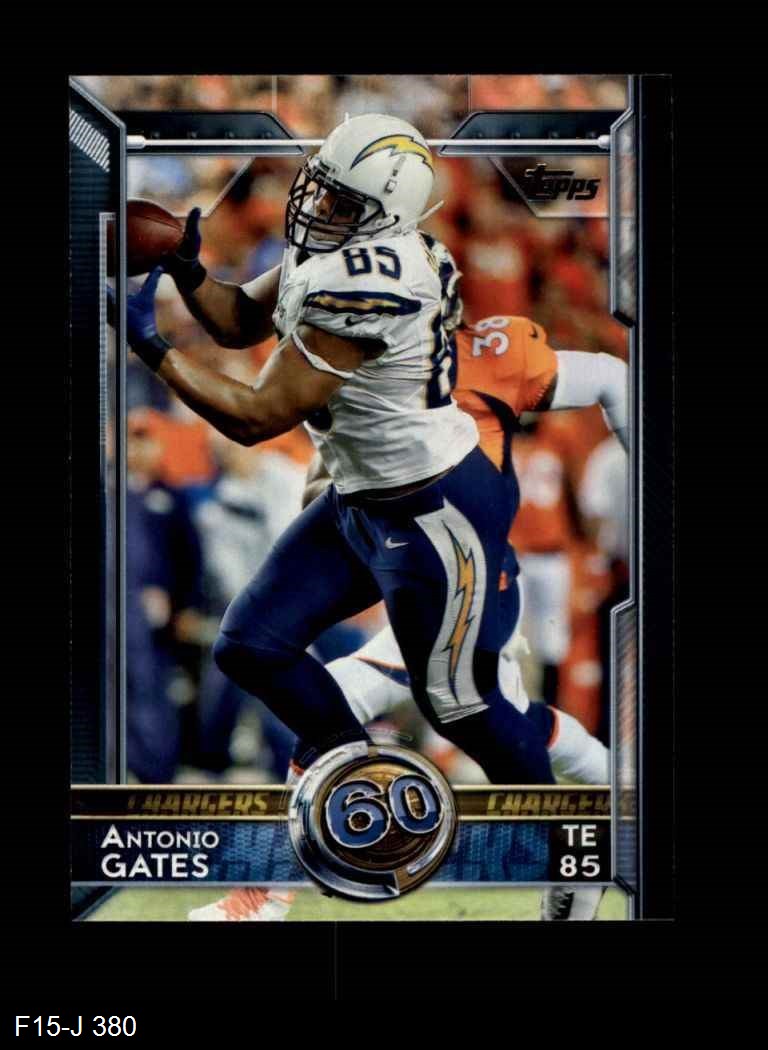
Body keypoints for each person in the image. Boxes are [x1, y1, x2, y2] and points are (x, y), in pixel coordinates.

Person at [114, 114, 626, 919]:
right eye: (320, 185)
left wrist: (154, 350)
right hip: (363, 494)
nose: (316, 204)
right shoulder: (339, 252)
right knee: (251, 645)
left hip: (432, 508)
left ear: (383, 214)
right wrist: (186, 267)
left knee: (467, 711)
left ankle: (569, 849)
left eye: (340, 199)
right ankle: (350, 760)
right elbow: (240, 320)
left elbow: (256, 416)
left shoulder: (374, 281)